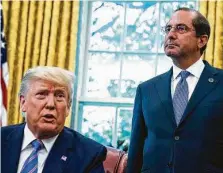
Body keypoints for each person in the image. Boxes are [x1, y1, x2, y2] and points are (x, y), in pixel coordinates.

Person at [127, 7, 223, 173]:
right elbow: (136, 149)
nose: (170, 35)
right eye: (168, 29)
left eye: (181, 28)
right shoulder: (147, 89)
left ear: (202, 40)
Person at [1, 66, 107, 173]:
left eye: (59, 96)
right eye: (42, 94)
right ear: (23, 103)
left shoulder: (90, 155)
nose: (51, 104)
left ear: (68, 107)